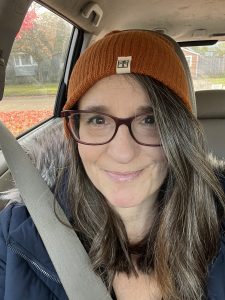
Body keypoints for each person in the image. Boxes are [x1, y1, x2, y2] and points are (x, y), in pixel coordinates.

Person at [0, 30, 225, 300]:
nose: (123, 153)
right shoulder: (16, 234)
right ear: (74, 130)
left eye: (149, 120)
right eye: (97, 120)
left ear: (180, 132)